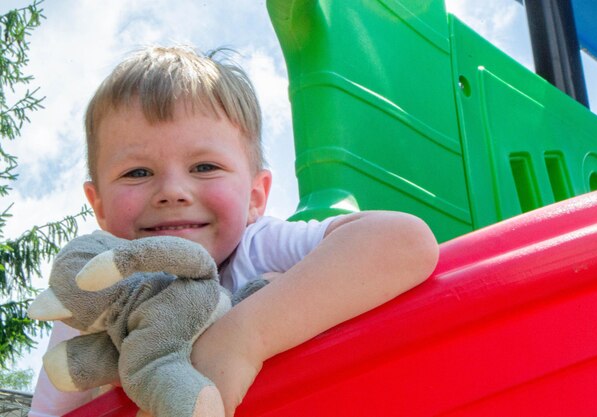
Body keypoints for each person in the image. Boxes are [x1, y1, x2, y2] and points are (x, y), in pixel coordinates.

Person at [29, 45, 439, 417]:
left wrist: (243, 338)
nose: (172, 191)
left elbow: (404, 242)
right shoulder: (92, 296)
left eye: (204, 167)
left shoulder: (258, 246)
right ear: (98, 203)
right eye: (137, 172)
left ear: (255, 198)